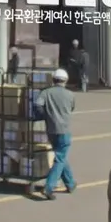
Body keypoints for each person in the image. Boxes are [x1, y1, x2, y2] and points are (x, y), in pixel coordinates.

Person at [37, 68, 77, 200]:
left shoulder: (46, 92)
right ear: (65, 81)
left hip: (51, 130)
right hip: (64, 130)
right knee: (60, 158)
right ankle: (48, 187)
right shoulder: (70, 94)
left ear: (53, 80)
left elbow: (38, 105)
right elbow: (72, 108)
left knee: (61, 156)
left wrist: (46, 115)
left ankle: (70, 183)